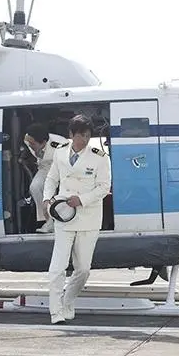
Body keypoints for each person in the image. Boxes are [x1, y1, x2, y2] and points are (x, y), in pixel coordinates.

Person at [42, 115, 111, 324]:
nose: (84, 140)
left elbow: (104, 187)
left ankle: (68, 301)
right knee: (58, 267)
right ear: (71, 135)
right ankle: (55, 312)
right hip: (64, 216)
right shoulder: (60, 151)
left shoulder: (100, 157)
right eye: (81, 135)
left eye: (88, 136)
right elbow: (52, 178)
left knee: (83, 269)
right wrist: (46, 199)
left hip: (88, 218)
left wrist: (81, 200)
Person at [24, 123, 67, 233]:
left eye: (33, 143)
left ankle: (62, 220)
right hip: (45, 167)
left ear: (43, 142)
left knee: (55, 190)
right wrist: (37, 152)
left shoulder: (61, 144)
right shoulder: (27, 139)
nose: (29, 144)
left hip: (62, 167)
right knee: (35, 187)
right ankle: (48, 221)